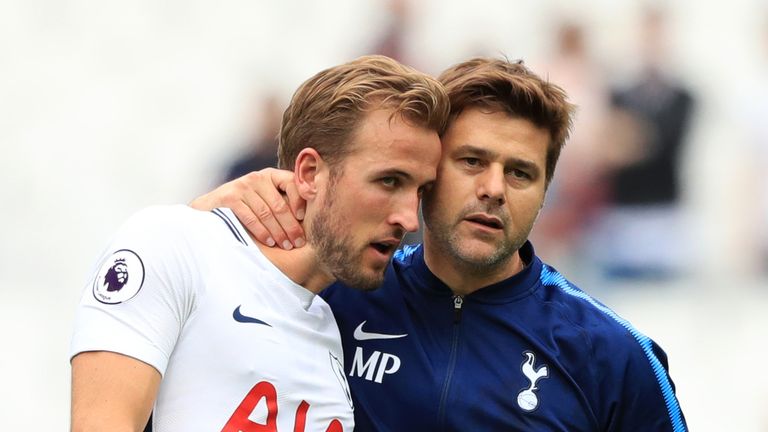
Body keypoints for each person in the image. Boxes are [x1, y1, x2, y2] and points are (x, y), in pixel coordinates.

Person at [192, 57, 688, 431]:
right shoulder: (331, 295)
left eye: (520, 173)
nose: (494, 188)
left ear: (543, 193)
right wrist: (204, 217)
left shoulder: (613, 355)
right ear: (426, 173)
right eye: (471, 161)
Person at [69, 55, 449, 431]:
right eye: (389, 181)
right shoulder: (172, 243)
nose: (408, 218)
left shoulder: (332, 333)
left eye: (421, 190)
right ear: (309, 173)